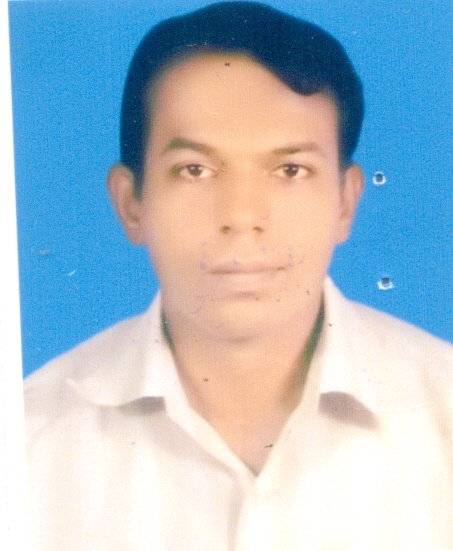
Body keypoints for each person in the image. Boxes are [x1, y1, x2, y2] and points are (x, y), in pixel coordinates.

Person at [24, 2, 453, 550]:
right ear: (131, 203)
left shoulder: (442, 411)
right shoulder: (27, 439)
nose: (242, 216)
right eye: (195, 170)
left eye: (290, 170)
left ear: (345, 203)